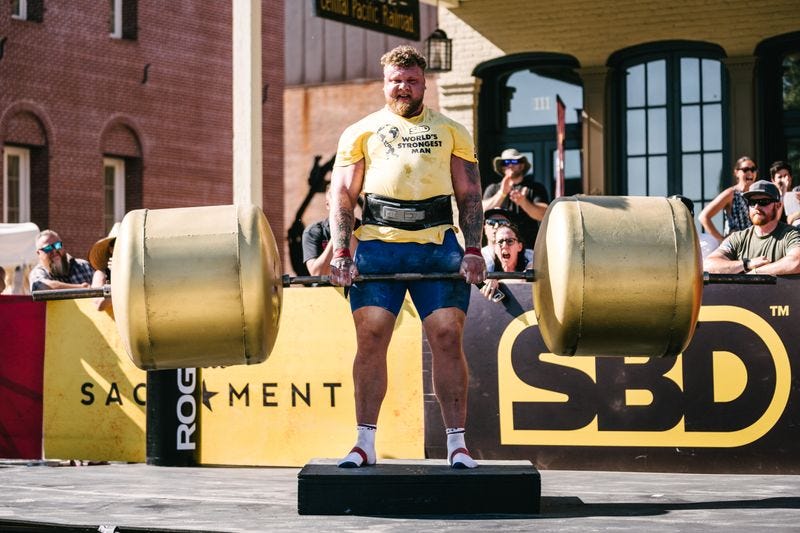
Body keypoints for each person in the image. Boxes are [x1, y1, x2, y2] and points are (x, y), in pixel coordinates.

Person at [327, 45, 486, 469]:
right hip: (379, 245)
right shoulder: (360, 132)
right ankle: (364, 443)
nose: (403, 87)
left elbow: (469, 194)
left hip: (437, 245)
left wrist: (473, 249)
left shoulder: (452, 130)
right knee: (372, 336)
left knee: (448, 337)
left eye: (411, 81)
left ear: (423, 84)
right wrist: (342, 251)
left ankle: (457, 444)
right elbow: (342, 194)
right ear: (385, 84)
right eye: (395, 81)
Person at [704, 180, 800, 275]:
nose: (757, 206)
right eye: (752, 202)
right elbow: (708, 265)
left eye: (763, 201)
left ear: (778, 205)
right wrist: (747, 264)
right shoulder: (738, 238)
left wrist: (756, 272)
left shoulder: (790, 234)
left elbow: (796, 262)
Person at [482, 148, 549, 249]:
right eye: (505, 162)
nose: (509, 165)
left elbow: (544, 215)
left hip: (528, 248)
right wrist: (502, 193)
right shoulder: (493, 189)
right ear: (502, 167)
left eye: (513, 161)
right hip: (500, 249)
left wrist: (523, 202)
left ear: (522, 165)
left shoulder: (535, 188)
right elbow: (480, 211)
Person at [698, 156, 757, 242]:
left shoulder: (757, 194)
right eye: (745, 169)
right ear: (736, 172)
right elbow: (703, 217)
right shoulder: (731, 193)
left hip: (754, 244)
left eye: (753, 169)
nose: (750, 173)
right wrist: (721, 240)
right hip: (736, 247)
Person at [480, 223, 531, 303]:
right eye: (500, 242)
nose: (504, 246)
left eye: (510, 241)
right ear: (495, 249)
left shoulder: (530, 263)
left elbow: (523, 281)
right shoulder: (488, 266)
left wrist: (498, 283)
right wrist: (489, 281)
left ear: (519, 246)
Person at [29, 230, 94, 291]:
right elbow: (42, 285)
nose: (54, 251)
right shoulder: (38, 273)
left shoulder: (84, 266)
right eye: (48, 248)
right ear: (38, 253)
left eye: (57, 245)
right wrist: (81, 288)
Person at [88, 224, 119, 317]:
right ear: (110, 249)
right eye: (117, 243)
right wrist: (117, 275)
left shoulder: (141, 270)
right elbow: (100, 305)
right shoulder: (102, 274)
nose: (123, 247)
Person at [769, 160, 799, 224]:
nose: (783, 180)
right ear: (773, 180)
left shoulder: (797, 191)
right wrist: (783, 191)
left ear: (790, 177)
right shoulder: (771, 199)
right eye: (780, 177)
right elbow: (775, 220)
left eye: (785, 176)